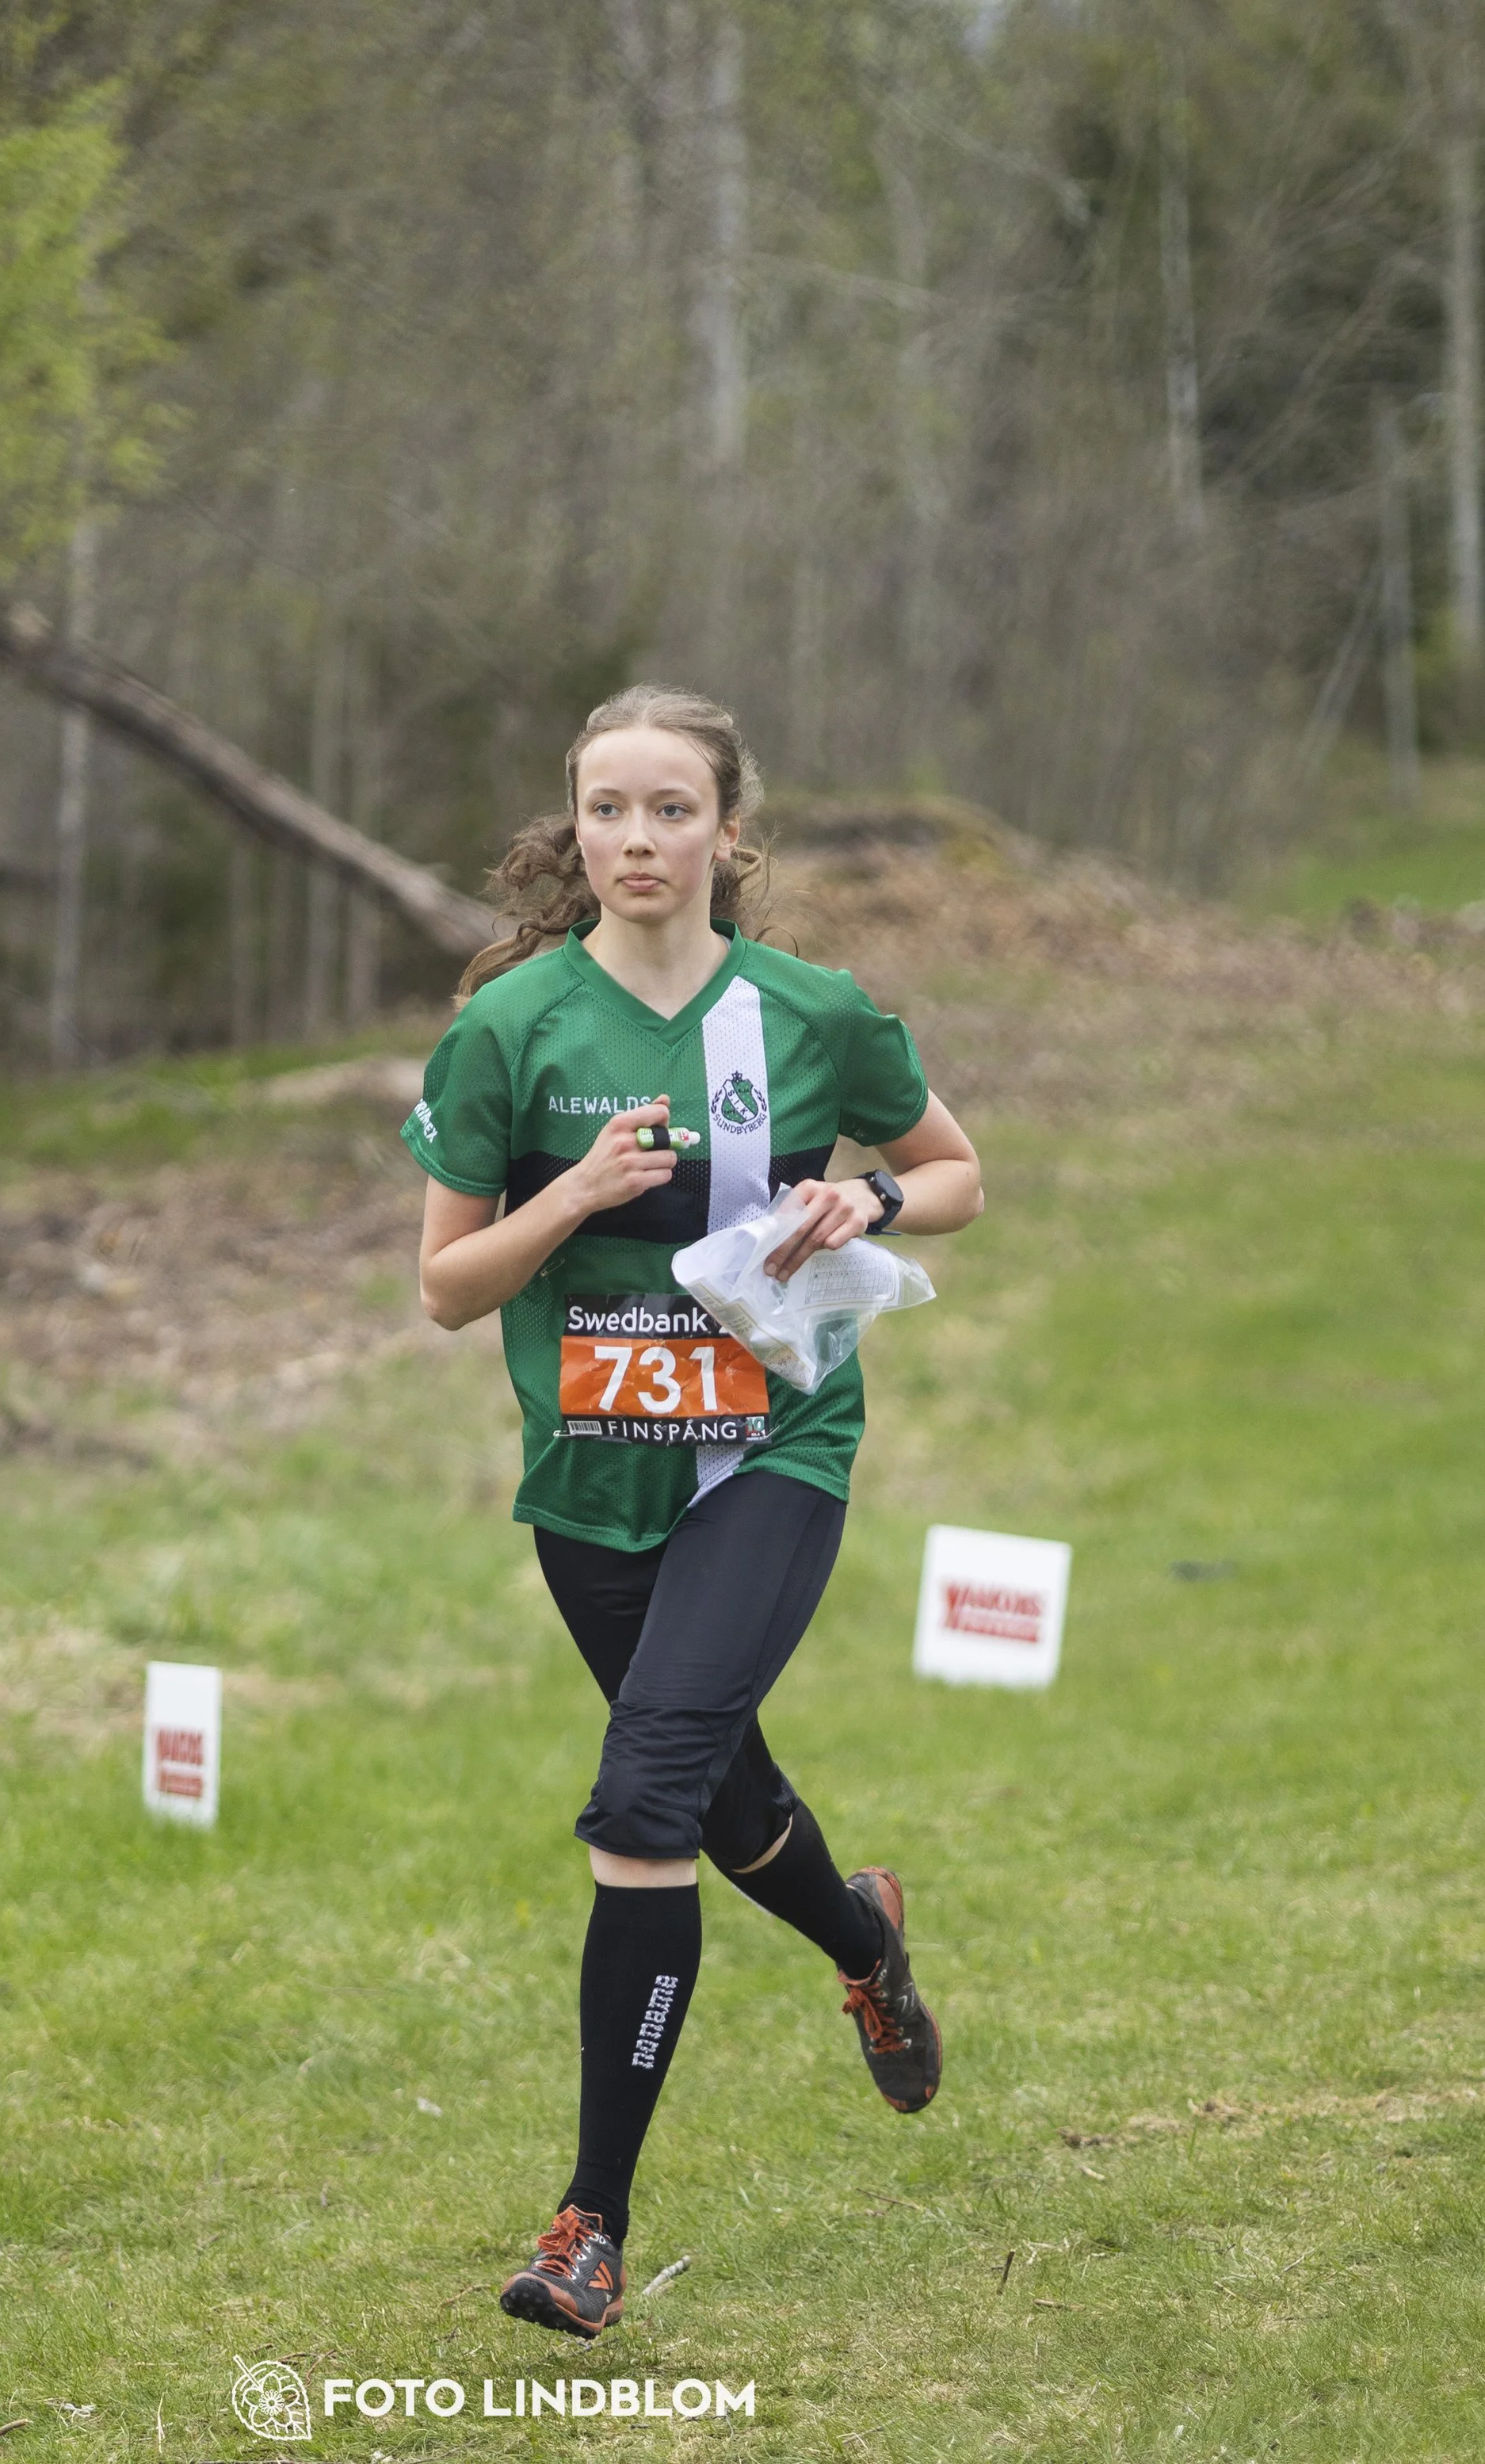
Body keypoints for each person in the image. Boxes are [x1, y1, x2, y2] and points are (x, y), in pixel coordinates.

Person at [401, 686, 984, 2340]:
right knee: (721, 1806)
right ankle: (863, 1937)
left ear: (727, 834)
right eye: (605, 810)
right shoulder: (508, 1031)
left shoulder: (810, 1010)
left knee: (641, 1802)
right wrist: (573, 1196)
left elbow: (954, 1172)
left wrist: (862, 1191)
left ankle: (589, 2220)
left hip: (768, 1454)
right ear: (569, 831)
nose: (635, 841)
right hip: (589, 1480)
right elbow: (445, 1287)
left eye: (669, 811)